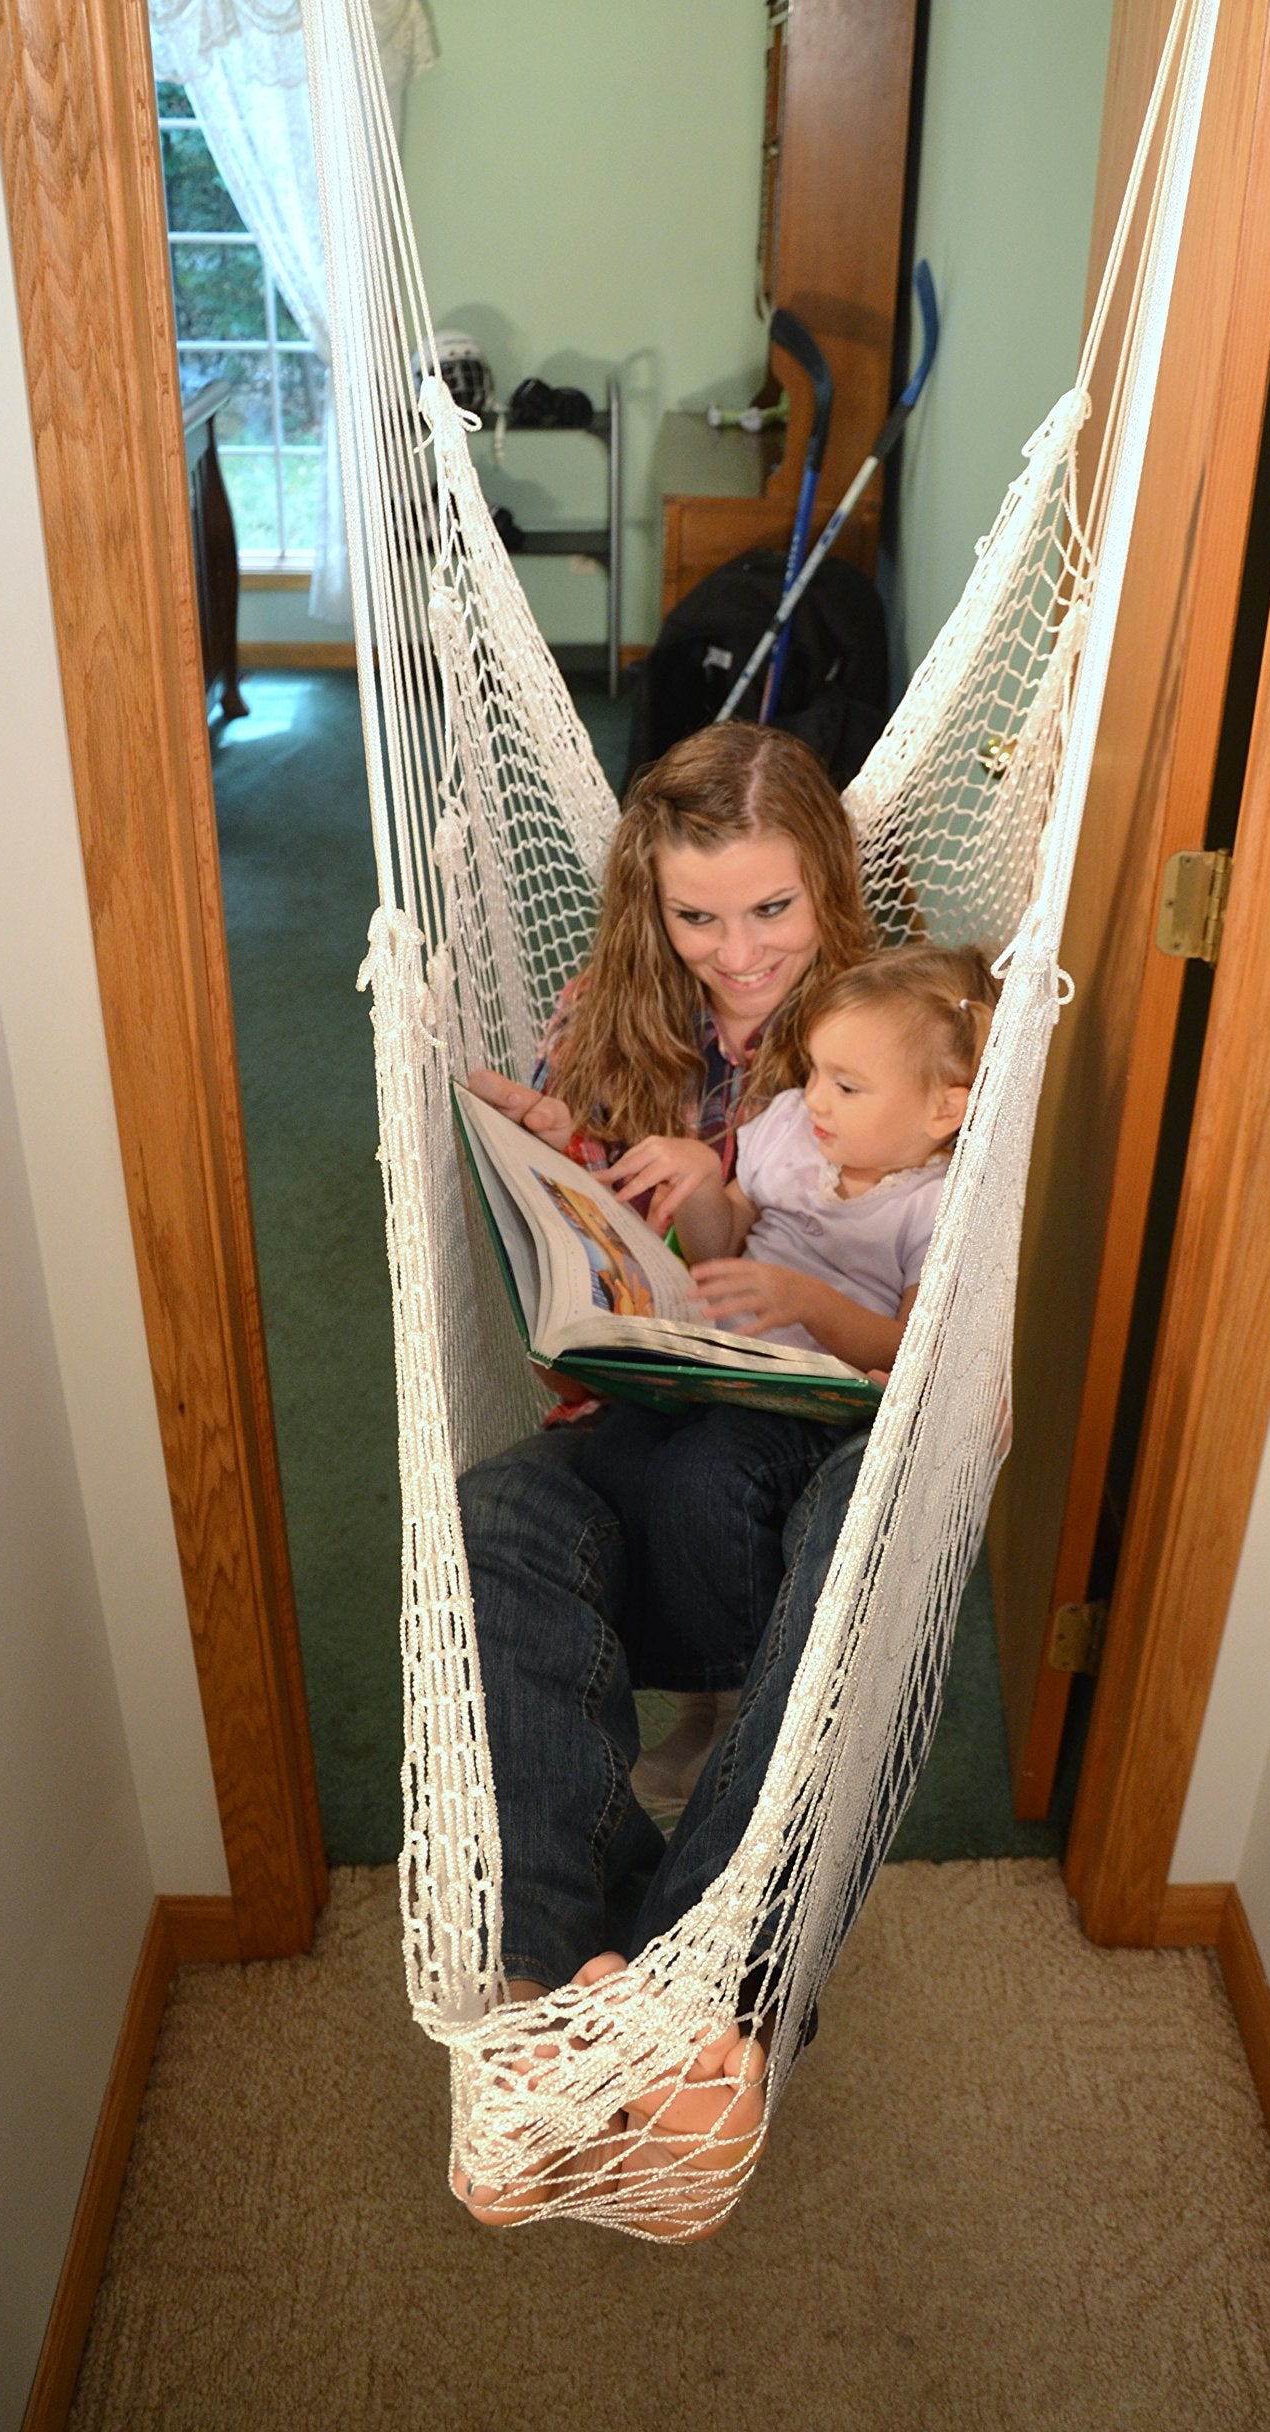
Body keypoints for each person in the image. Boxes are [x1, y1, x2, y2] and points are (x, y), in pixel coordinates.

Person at [457, 721, 876, 2221]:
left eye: (771, 909)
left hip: (804, 1424)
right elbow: (584, 1213)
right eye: (697, 916)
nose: (737, 953)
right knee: (497, 1511)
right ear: (651, 900)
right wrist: (552, 1147)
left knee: (840, 1545)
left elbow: (895, 1308)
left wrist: (718, 1220)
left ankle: (703, 1994)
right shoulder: (611, 1008)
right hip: (643, 1401)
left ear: (827, 882)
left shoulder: (885, 1039)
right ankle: (542, 1986)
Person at [586, 945, 1000, 1711]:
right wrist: (707, 1185)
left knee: (708, 1475)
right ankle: (655, 1664)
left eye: (846, 1086)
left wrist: (806, 1301)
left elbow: (910, 1349)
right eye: (813, 1072)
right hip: (722, 1360)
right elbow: (725, 1239)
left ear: (945, 1108)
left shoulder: (934, 1204)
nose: (814, 1099)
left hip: (813, 1404)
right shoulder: (793, 1131)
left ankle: (726, 1696)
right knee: (612, 1450)